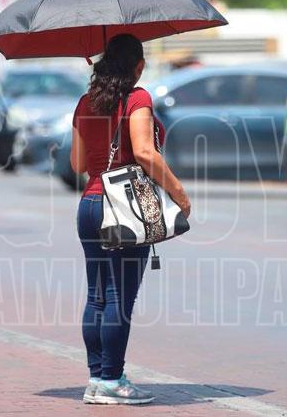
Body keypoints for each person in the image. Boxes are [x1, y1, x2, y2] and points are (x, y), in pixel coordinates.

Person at [70, 34, 191, 405]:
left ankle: (96, 378)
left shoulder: (85, 102)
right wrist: (179, 194)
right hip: (123, 206)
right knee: (119, 298)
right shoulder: (138, 99)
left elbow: (77, 163)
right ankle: (111, 380)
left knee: (97, 296)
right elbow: (144, 153)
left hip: (89, 205)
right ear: (139, 66)